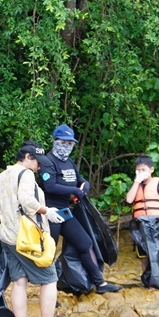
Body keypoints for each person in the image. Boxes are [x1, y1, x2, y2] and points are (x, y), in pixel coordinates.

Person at [0, 140, 66, 317]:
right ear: (28, 158)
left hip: (8, 236)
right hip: (26, 237)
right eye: (37, 161)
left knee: (19, 281)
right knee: (49, 279)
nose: (39, 166)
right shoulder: (26, 174)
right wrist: (48, 211)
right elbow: (27, 200)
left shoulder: (4, 174)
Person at [40, 124, 123, 293]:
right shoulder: (48, 162)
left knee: (85, 243)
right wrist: (74, 190)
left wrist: (84, 188)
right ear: (55, 141)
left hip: (65, 211)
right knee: (49, 252)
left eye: (70, 143)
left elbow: (81, 180)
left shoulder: (69, 162)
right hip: (49, 212)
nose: (66, 146)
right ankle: (47, 292)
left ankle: (100, 283)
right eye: (63, 142)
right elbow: (50, 187)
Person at [125, 154, 159, 275]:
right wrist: (137, 181)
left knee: (158, 254)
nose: (141, 172)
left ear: (151, 170)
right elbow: (129, 200)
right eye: (138, 170)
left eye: (143, 170)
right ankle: (148, 282)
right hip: (141, 226)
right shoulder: (136, 185)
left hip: (156, 224)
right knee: (144, 256)